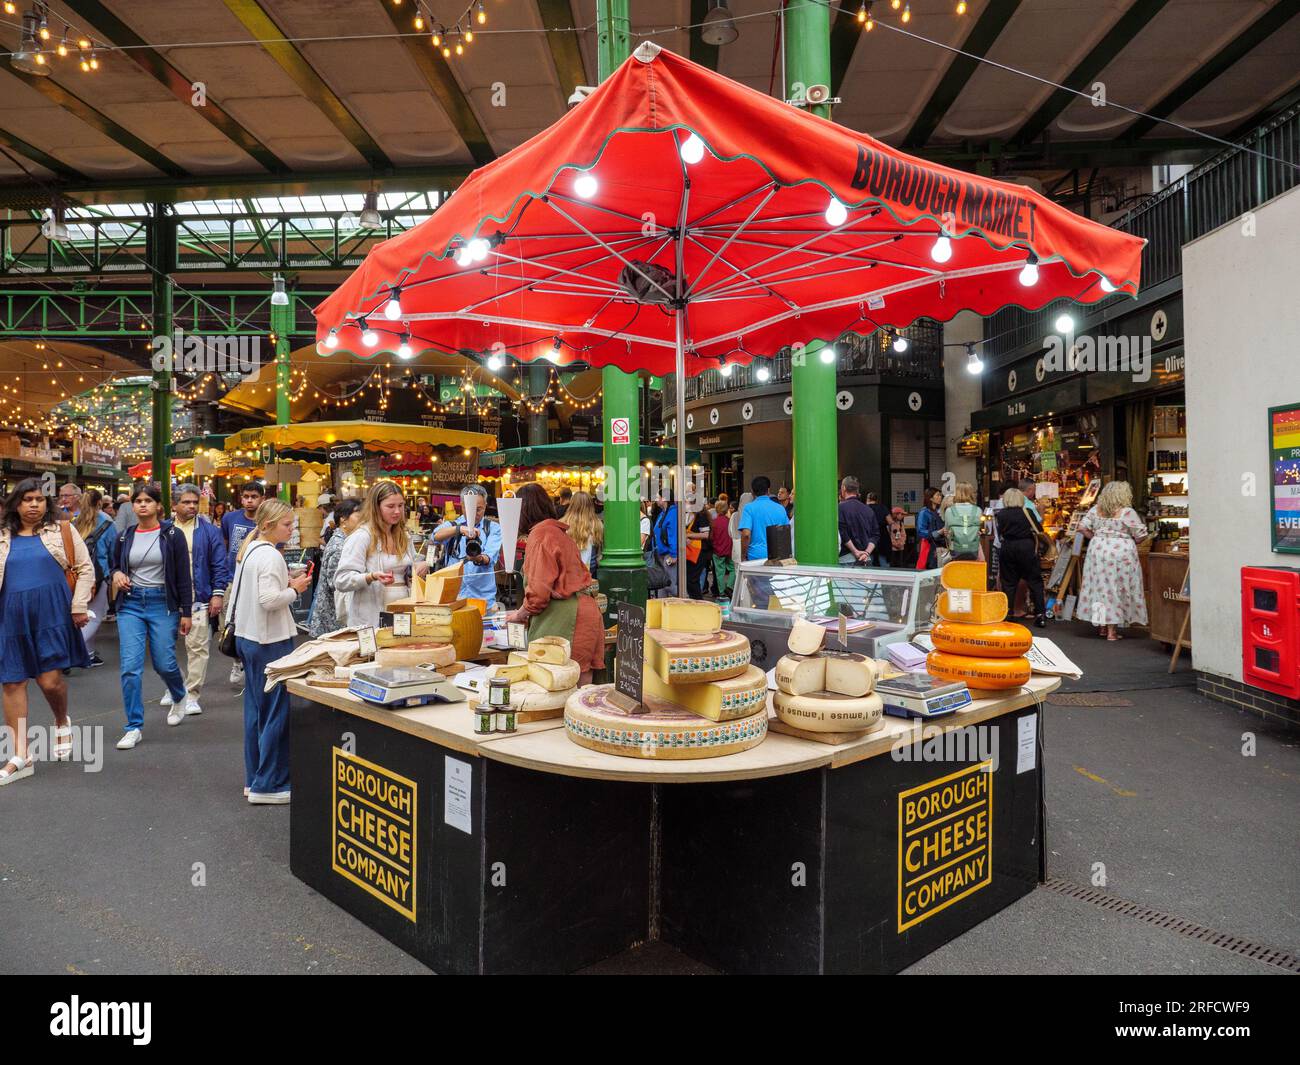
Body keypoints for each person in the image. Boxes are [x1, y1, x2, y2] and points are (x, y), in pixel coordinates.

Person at [0, 479, 93, 785]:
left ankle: (60, 719)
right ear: (16, 503)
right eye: (27, 499)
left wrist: (79, 606)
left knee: (50, 681)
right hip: (10, 618)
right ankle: (20, 755)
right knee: (12, 682)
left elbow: (85, 567)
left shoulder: (62, 530)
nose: (34, 505)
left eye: (39, 499)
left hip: (51, 615)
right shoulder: (2, 536)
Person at [229, 499, 312, 804]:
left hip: (247, 637)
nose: (291, 530)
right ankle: (271, 784)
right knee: (276, 712)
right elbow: (268, 600)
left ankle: (255, 779)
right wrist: (296, 589)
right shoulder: (271, 556)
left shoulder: (249, 550)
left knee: (256, 712)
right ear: (268, 525)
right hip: (270, 641)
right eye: (287, 524)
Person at [112, 484, 193, 750]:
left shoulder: (172, 535)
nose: (143, 505)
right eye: (138, 501)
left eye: (148, 500)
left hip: (162, 603)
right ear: (132, 506)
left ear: (159, 506)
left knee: (164, 662)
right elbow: (113, 565)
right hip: (131, 604)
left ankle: (179, 693)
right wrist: (116, 574)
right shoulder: (125, 536)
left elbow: (183, 576)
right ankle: (133, 726)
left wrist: (187, 612)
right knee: (130, 668)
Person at [505, 484, 603, 683]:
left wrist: (519, 614)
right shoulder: (557, 532)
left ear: (523, 511)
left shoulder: (540, 535)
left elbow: (539, 593)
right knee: (581, 689)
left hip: (568, 618)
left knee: (563, 686)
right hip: (585, 613)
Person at [168, 484, 230, 717]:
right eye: (186, 502)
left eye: (194, 502)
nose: (192, 506)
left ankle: (192, 693)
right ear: (174, 505)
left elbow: (219, 564)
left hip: (198, 596)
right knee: (165, 646)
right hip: (167, 598)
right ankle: (174, 685)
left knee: (197, 646)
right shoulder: (164, 529)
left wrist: (217, 593)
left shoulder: (209, 531)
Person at [335, 480, 430, 630]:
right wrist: (370, 576)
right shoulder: (362, 537)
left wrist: (419, 567)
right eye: (390, 506)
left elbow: (409, 568)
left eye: (401, 505)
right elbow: (341, 580)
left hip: (402, 615)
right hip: (370, 618)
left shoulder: (403, 536)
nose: (397, 511)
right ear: (376, 508)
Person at [1077, 481, 1149, 641]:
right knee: (1116, 588)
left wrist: (1096, 537)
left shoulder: (1095, 510)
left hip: (1097, 551)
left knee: (1100, 587)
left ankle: (1102, 627)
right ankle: (1112, 632)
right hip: (1120, 552)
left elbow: (1081, 527)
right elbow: (1141, 534)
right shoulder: (1127, 512)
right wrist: (1131, 541)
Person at [432, 484, 503, 607]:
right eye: (469, 508)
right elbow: (435, 536)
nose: (474, 513)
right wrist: (459, 529)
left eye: (478, 509)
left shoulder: (492, 528)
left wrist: (478, 558)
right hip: (455, 597)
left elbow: (489, 557)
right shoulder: (454, 525)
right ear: (462, 506)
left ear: (485, 506)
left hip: (482, 599)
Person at [73, 488, 115, 667]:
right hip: (99, 573)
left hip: (76, 574)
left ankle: (88, 654)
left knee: (82, 612)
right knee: (95, 615)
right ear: (100, 503)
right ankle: (71, 650)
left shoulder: (75, 521)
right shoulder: (107, 522)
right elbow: (114, 549)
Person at [308, 498, 362, 637]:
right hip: (334, 617)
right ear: (343, 519)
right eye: (358, 515)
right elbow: (337, 584)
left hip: (334, 616)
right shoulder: (340, 546)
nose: (363, 520)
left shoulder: (346, 541)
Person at [994, 488, 1047, 628]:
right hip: (1026, 547)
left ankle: (1008, 613)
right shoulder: (1027, 512)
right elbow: (1039, 529)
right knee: (1034, 581)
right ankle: (1040, 615)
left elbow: (999, 533)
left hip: (1008, 547)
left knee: (1009, 582)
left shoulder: (1001, 514)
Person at [738, 476, 790, 562]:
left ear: (752, 491)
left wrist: (743, 556)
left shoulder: (749, 508)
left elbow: (746, 534)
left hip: (755, 556)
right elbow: (786, 533)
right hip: (777, 556)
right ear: (768, 490)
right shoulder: (780, 508)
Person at [221, 482, 265, 575]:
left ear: (262, 499)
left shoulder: (269, 521)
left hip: (258, 576)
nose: (249, 500)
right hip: (231, 576)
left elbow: (278, 550)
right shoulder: (229, 517)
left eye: (254, 497)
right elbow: (222, 546)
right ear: (242, 499)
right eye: (246, 496)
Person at [837, 475, 880, 566]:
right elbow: (875, 535)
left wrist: (855, 551)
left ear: (843, 488)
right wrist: (866, 553)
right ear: (857, 490)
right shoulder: (868, 510)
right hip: (866, 559)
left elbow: (843, 533)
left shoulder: (840, 508)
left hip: (846, 560)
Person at [564, 491, 603, 576]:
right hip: (590, 569)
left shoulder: (563, 523)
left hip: (568, 569)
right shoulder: (597, 524)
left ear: (572, 505)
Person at [945, 482, 984, 562]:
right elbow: (980, 530)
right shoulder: (978, 510)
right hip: (974, 549)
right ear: (971, 494)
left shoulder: (949, 511)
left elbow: (947, 531)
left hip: (955, 551)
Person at [915, 488, 946, 570]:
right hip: (928, 545)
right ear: (931, 498)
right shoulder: (924, 512)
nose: (940, 497)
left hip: (938, 545)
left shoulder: (938, 512)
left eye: (940, 495)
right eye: (938, 495)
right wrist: (938, 532)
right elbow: (920, 531)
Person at [710, 498, 734, 599]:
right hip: (729, 549)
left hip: (717, 550)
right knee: (733, 570)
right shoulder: (730, 521)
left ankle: (722, 592)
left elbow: (711, 537)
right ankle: (729, 586)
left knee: (720, 572)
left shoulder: (713, 522)